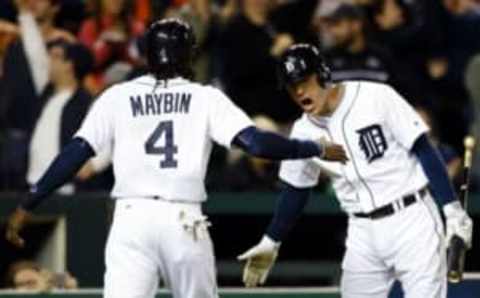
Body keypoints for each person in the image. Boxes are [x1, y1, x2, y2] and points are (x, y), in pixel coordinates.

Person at [5, 19, 347, 298]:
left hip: (131, 219)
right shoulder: (204, 97)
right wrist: (311, 148)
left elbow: (75, 153)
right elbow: (256, 144)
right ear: (187, 56)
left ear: (148, 56)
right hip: (182, 218)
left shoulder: (118, 96)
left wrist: (29, 203)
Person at [238, 44, 473, 298]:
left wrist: (452, 210)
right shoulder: (303, 132)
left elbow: (423, 148)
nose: (299, 91)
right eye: (291, 87)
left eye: (304, 81)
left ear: (323, 74)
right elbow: (296, 189)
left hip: (411, 219)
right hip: (362, 232)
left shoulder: (375, 96)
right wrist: (272, 240)